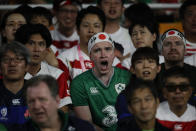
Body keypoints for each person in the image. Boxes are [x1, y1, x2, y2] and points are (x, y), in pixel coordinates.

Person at [70, 32, 131, 131]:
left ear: (113, 54)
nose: (103, 55)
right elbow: (87, 124)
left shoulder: (128, 77)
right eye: (97, 50)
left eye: (107, 49)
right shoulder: (79, 83)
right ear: (90, 56)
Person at [56, 6, 123, 88]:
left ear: (103, 31)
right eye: (86, 25)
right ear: (77, 30)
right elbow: (63, 95)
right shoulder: (64, 59)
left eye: (96, 26)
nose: (91, 30)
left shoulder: (114, 62)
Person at [6, 75, 95, 131]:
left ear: (57, 101)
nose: (36, 106)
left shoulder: (83, 128)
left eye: (42, 99)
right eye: (31, 101)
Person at [15, 24, 71, 112]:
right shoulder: (8, 74)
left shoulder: (57, 75)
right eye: (31, 43)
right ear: (20, 47)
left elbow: (63, 109)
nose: (36, 49)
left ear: (47, 50)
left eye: (41, 44)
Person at [116, 47, 161, 124]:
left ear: (158, 68)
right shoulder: (124, 97)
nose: (146, 66)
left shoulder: (166, 94)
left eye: (150, 61)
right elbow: (125, 124)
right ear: (132, 69)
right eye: (140, 62)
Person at [159, 28, 196, 107]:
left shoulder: (195, 73)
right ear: (161, 51)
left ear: (185, 50)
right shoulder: (153, 74)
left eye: (178, 43)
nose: (173, 47)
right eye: (168, 44)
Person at [156, 66, 196, 131]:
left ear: (190, 91)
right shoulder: (153, 114)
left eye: (183, 87)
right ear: (164, 92)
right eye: (171, 87)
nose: (177, 91)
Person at [0, 42, 30, 125]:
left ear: (27, 66)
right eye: (6, 59)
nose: (12, 64)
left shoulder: (36, 91)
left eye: (18, 59)